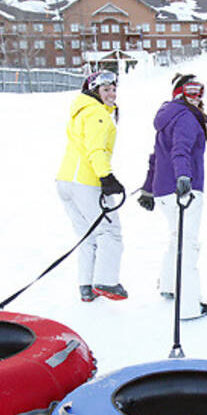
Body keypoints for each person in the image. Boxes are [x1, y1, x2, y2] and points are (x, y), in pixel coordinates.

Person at [137, 73, 207, 319]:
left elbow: (156, 156)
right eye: (191, 90)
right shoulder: (186, 118)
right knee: (187, 244)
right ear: (179, 93)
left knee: (176, 238)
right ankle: (190, 306)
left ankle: (169, 285)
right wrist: (184, 177)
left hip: (164, 191)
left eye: (200, 91)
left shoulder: (167, 117)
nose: (197, 97)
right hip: (183, 190)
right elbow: (180, 150)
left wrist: (149, 189)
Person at [56, 70, 127, 302]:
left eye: (114, 89)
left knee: (87, 235)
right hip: (86, 182)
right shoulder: (97, 114)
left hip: (66, 181)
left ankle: (86, 286)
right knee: (110, 232)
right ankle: (106, 281)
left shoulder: (81, 111)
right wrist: (106, 177)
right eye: (106, 90)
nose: (112, 94)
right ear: (94, 91)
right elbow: (95, 149)